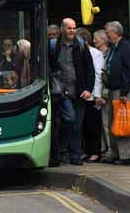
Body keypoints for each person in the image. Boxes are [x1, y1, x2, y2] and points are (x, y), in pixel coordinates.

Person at [49, 18, 95, 165]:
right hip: (62, 91)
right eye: (69, 28)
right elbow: (47, 66)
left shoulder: (81, 45)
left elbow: (90, 69)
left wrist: (89, 89)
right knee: (70, 119)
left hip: (79, 91)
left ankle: (74, 156)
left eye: (74, 28)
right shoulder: (53, 45)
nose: (72, 31)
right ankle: (62, 150)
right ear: (62, 29)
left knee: (77, 125)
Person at [102, 21, 130, 165]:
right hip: (114, 88)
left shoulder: (126, 48)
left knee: (123, 121)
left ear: (115, 33)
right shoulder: (114, 48)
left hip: (123, 90)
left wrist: (125, 91)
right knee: (113, 122)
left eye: (108, 33)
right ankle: (116, 153)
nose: (106, 35)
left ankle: (126, 156)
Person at [77, 27, 105, 163]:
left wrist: (98, 94)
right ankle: (87, 150)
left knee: (93, 124)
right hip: (83, 94)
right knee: (85, 125)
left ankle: (95, 152)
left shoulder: (96, 53)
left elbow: (98, 74)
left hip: (93, 95)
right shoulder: (79, 52)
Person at [92, 29, 112, 156]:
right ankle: (105, 147)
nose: (94, 41)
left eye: (96, 38)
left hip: (106, 92)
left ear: (103, 40)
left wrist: (102, 93)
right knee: (103, 122)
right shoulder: (100, 54)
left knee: (107, 122)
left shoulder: (107, 55)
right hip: (101, 92)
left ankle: (110, 148)